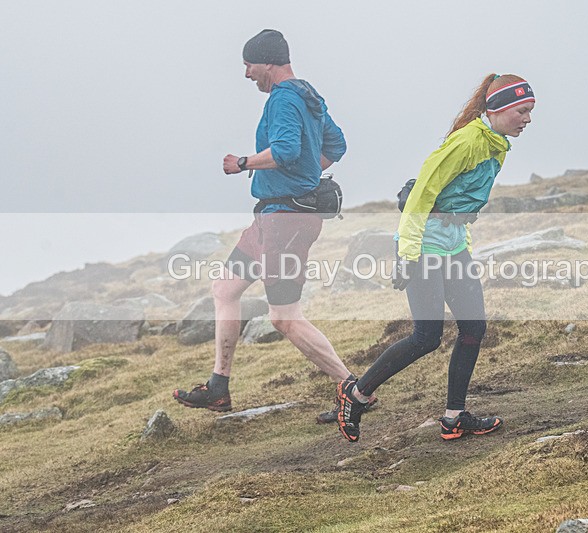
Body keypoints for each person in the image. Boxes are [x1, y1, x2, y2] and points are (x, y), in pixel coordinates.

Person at [173, 29, 367, 413]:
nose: (246, 74)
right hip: (269, 218)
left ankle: (356, 390)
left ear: (267, 62)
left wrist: (243, 163)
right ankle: (218, 387)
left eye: (249, 65)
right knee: (225, 288)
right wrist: (308, 176)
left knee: (284, 317)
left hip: (286, 223)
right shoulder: (309, 96)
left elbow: (285, 150)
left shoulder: (284, 100)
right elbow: (336, 146)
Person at [335, 74, 535, 441]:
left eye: (530, 111)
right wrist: (407, 254)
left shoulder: (498, 144)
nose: (528, 119)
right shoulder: (468, 142)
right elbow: (421, 195)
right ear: (500, 108)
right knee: (426, 336)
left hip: (453, 244)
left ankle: (454, 416)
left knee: (474, 328)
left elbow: (461, 201)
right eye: (522, 110)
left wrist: (464, 242)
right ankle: (357, 395)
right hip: (423, 243)